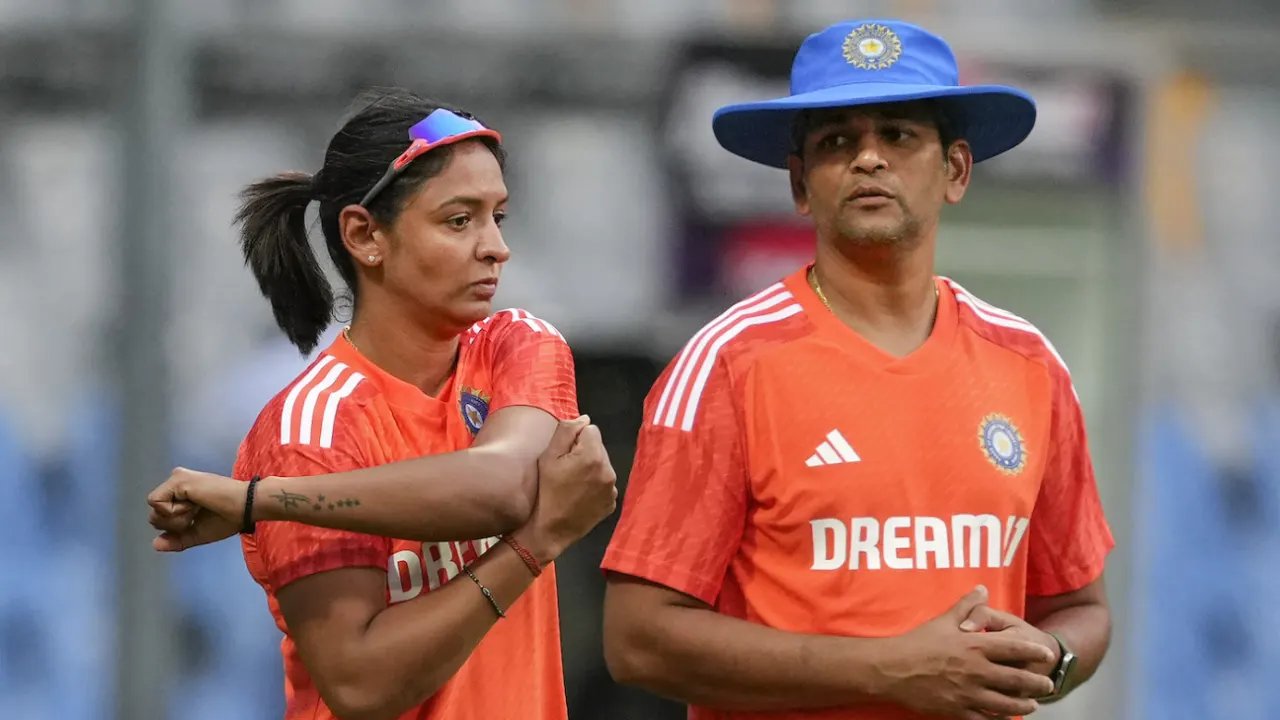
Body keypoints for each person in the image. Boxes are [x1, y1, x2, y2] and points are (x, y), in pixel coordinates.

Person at [600, 19, 1114, 720]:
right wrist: (890, 670)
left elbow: (1081, 607)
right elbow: (637, 640)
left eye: (898, 136)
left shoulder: (1029, 364)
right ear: (800, 183)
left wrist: (1051, 659)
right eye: (837, 142)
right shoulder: (726, 365)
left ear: (956, 171)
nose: (869, 159)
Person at [146, 88, 617, 720]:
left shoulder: (519, 345)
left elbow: (502, 484)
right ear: (365, 235)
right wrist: (533, 545)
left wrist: (260, 500)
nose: (495, 247)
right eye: (459, 220)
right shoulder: (309, 430)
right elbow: (361, 685)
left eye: (497, 217)